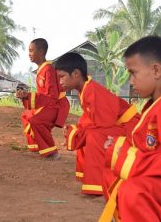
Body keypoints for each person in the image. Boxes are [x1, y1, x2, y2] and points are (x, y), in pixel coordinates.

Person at [54, 52, 140, 195]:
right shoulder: (85, 90)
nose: (60, 82)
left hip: (131, 128)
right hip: (119, 125)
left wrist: (79, 135)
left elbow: (105, 124)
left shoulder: (92, 90)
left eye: (62, 76)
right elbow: (91, 119)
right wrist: (76, 132)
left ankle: (98, 185)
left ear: (75, 73)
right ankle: (86, 176)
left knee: (93, 136)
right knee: (82, 132)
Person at [99, 36, 161, 222]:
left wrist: (121, 153)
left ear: (156, 70)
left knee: (132, 192)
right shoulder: (153, 105)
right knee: (111, 174)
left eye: (133, 73)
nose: (131, 82)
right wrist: (118, 147)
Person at [16, 38, 69, 160]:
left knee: (36, 120)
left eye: (31, 50)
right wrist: (25, 96)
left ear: (41, 52)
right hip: (48, 104)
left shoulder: (49, 70)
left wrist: (29, 96)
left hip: (56, 106)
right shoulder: (42, 70)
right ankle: (36, 146)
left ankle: (52, 152)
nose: (29, 54)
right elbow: (44, 95)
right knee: (26, 115)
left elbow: (52, 96)